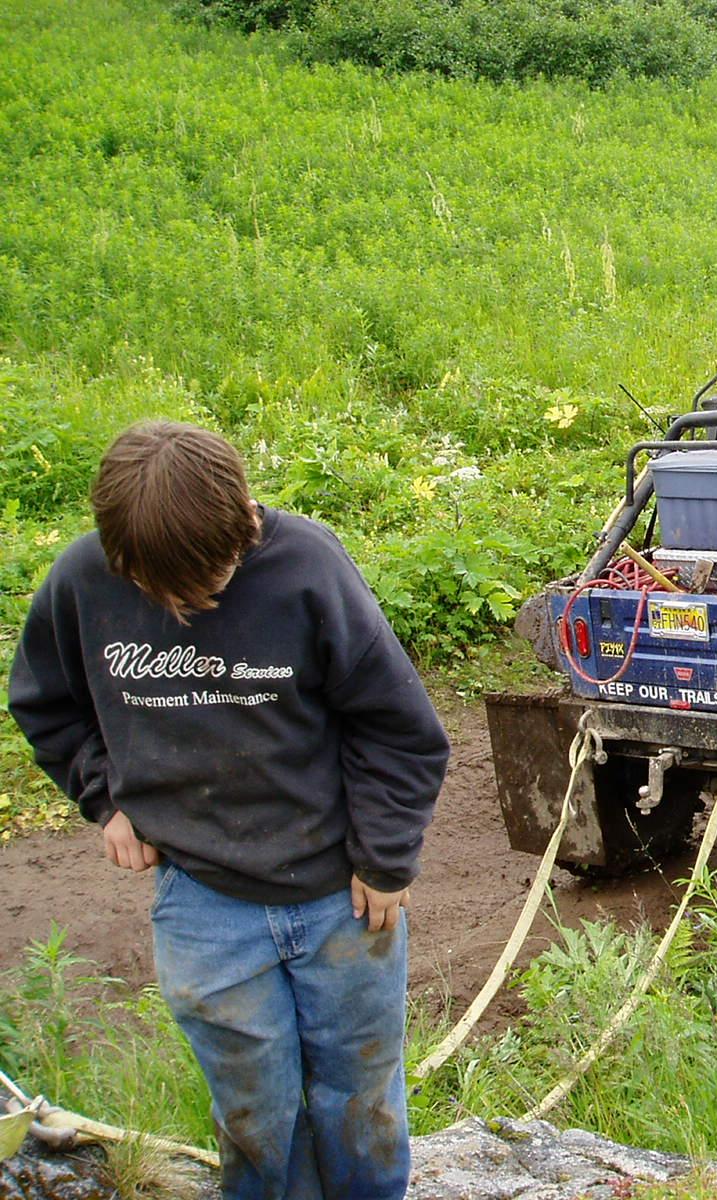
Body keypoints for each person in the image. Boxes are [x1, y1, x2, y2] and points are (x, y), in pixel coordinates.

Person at [9, 421, 450, 1199]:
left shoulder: (306, 566)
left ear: (245, 517)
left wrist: (385, 859)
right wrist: (106, 801)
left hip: (342, 901)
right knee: (256, 1110)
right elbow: (46, 705)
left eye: (206, 586)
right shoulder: (84, 580)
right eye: (165, 595)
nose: (187, 608)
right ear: (121, 559)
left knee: (360, 1098)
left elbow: (397, 728)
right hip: (201, 904)